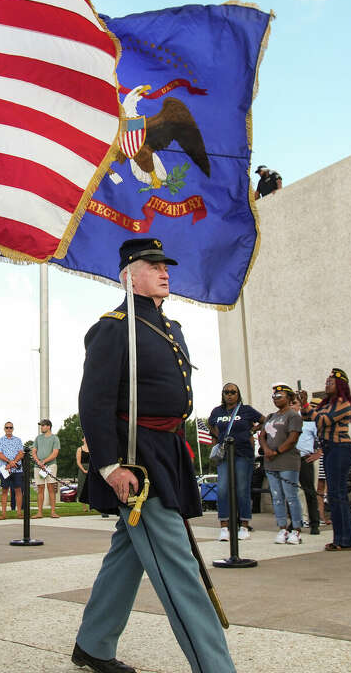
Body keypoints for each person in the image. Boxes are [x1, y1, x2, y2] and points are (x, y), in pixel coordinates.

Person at [73, 237, 234, 673]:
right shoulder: (113, 326)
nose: (165, 271)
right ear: (129, 274)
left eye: (166, 265)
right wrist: (109, 465)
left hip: (169, 449)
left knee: (127, 554)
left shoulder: (170, 326)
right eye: (153, 265)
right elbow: (95, 402)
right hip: (137, 457)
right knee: (179, 566)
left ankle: (93, 645)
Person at [307, 369, 351, 551]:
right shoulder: (325, 404)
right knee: (333, 496)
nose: (327, 384)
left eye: (331, 382)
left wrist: (306, 406)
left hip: (340, 448)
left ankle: (346, 539)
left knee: (337, 494)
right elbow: (310, 417)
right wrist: (303, 406)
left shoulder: (343, 403)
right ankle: (339, 538)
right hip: (328, 449)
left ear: (341, 385)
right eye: (326, 381)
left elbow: (323, 421)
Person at [208, 382, 262, 541]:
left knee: (242, 490)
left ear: (238, 394)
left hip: (243, 454)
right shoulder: (217, 411)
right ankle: (224, 527)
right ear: (223, 394)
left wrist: (252, 431)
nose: (229, 394)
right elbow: (211, 424)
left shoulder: (246, 410)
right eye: (226, 392)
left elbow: (264, 420)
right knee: (223, 489)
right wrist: (218, 437)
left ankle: (244, 526)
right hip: (225, 455)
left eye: (233, 392)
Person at [260, 384, 304, 545]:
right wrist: (266, 450)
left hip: (287, 461)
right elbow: (262, 436)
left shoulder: (293, 416)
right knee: (277, 497)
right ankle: (282, 528)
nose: (276, 399)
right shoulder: (271, 416)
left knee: (291, 496)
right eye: (274, 397)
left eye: (280, 396)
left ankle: (297, 529)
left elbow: (292, 439)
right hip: (270, 463)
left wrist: (277, 451)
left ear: (289, 397)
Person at [296, 408, 322, 535]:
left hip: (305, 459)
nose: (292, 407)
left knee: (309, 491)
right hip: (290, 460)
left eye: (294, 404)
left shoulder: (309, 423)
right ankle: (296, 521)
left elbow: (321, 437)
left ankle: (314, 523)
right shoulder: (287, 422)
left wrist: (319, 452)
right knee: (293, 493)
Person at [32, 418, 61, 518]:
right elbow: (34, 451)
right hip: (38, 466)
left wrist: (44, 461)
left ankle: (53, 512)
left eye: (43, 425)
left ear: (48, 426)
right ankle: (39, 512)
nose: (41, 427)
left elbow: (55, 453)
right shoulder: (38, 438)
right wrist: (38, 461)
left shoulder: (55, 438)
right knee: (40, 489)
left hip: (51, 465)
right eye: (41, 425)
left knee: (51, 488)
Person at [0, 421, 24, 518]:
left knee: (18, 490)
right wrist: (9, 462)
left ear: (13, 429)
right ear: (4, 429)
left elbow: (21, 453)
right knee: (4, 490)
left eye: (10, 427)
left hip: (17, 469)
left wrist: (13, 462)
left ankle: (19, 513)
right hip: (5, 469)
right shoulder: (0, 440)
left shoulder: (18, 440)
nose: (9, 429)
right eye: (7, 427)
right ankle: (3, 514)